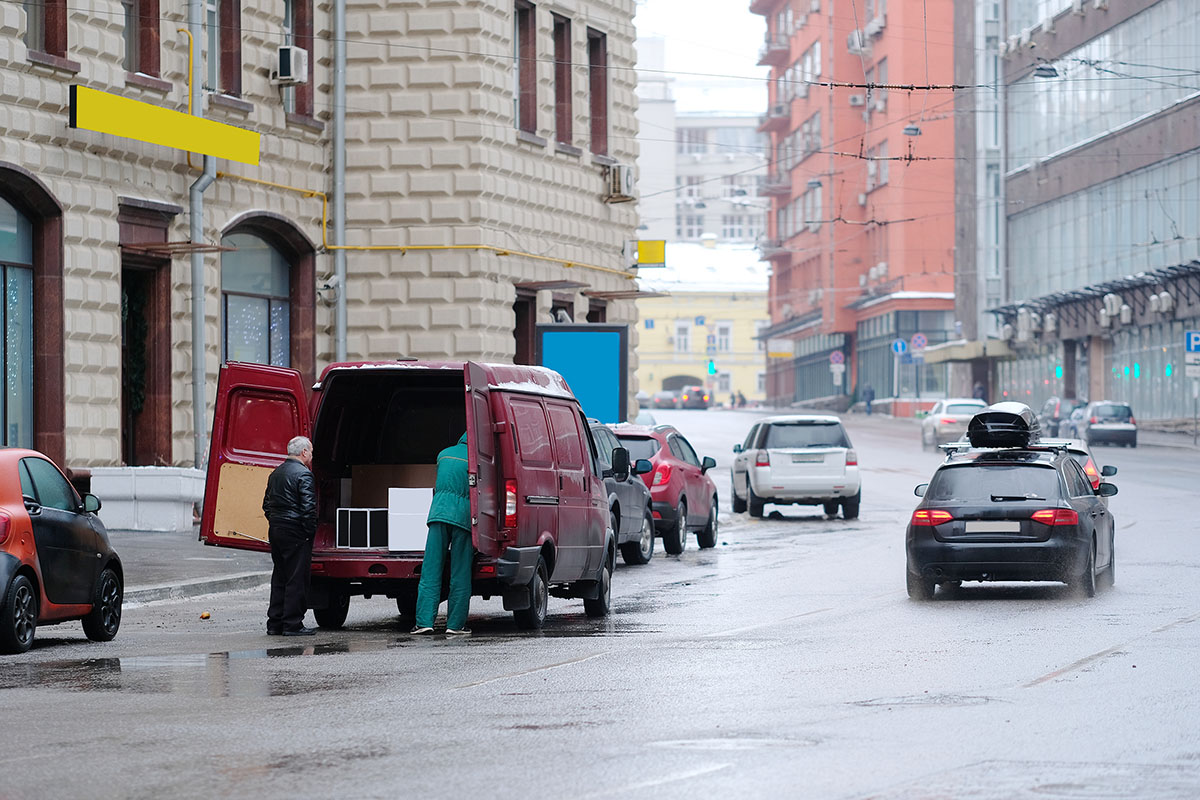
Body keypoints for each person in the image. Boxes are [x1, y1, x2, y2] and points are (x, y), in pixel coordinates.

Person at [412, 432, 474, 636]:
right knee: (460, 572)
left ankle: (424, 622)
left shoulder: (444, 454)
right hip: (463, 517)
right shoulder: (475, 458)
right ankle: (455, 625)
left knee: (431, 568)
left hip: (438, 513)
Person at [263, 435, 318, 636]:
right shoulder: (304, 475)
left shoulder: (276, 473)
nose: (311, 456)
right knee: (297, 578)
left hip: (276, 529)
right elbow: (308, 508)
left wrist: (276, 520)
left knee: (280, 576)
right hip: (296, 531)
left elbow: (266, 505)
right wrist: (309, 531)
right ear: (304, 452)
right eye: (310, 452)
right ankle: (292, 624)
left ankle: (274, 623)